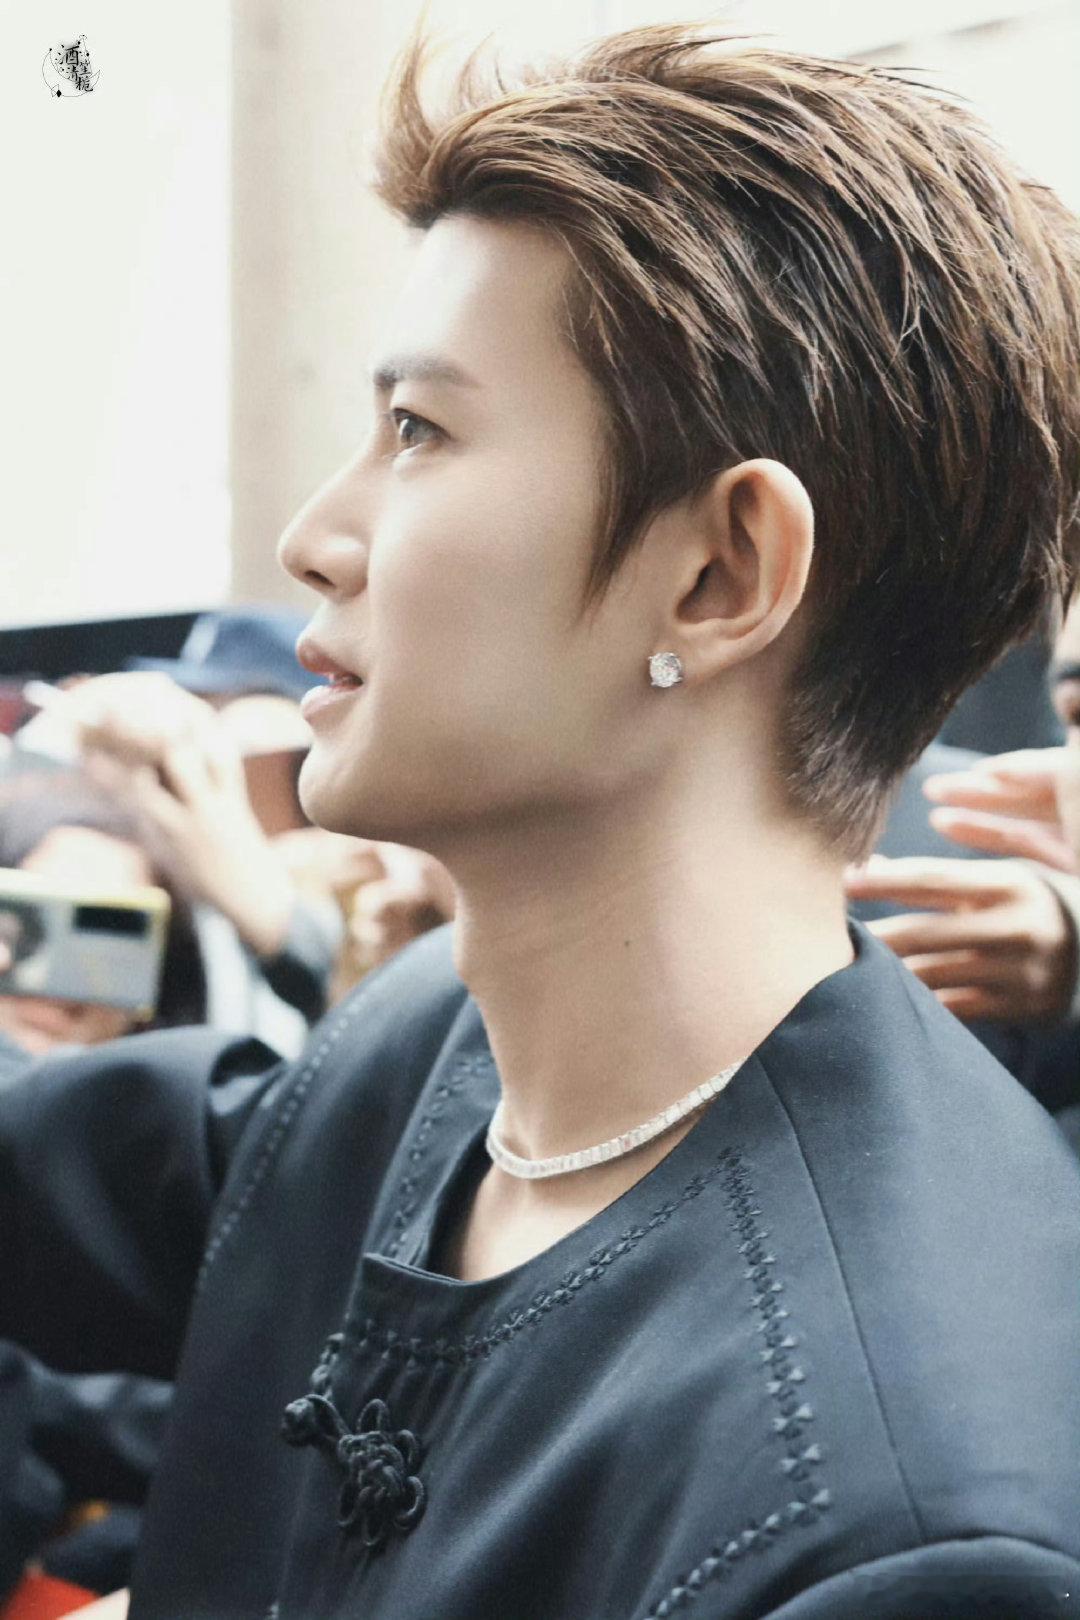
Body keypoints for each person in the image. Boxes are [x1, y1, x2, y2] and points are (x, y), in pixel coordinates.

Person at [4, 21, 1080, 1619]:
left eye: (420, 431)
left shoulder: (899, 1535)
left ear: (719, 574)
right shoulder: (445, 1040)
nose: (314, 534)